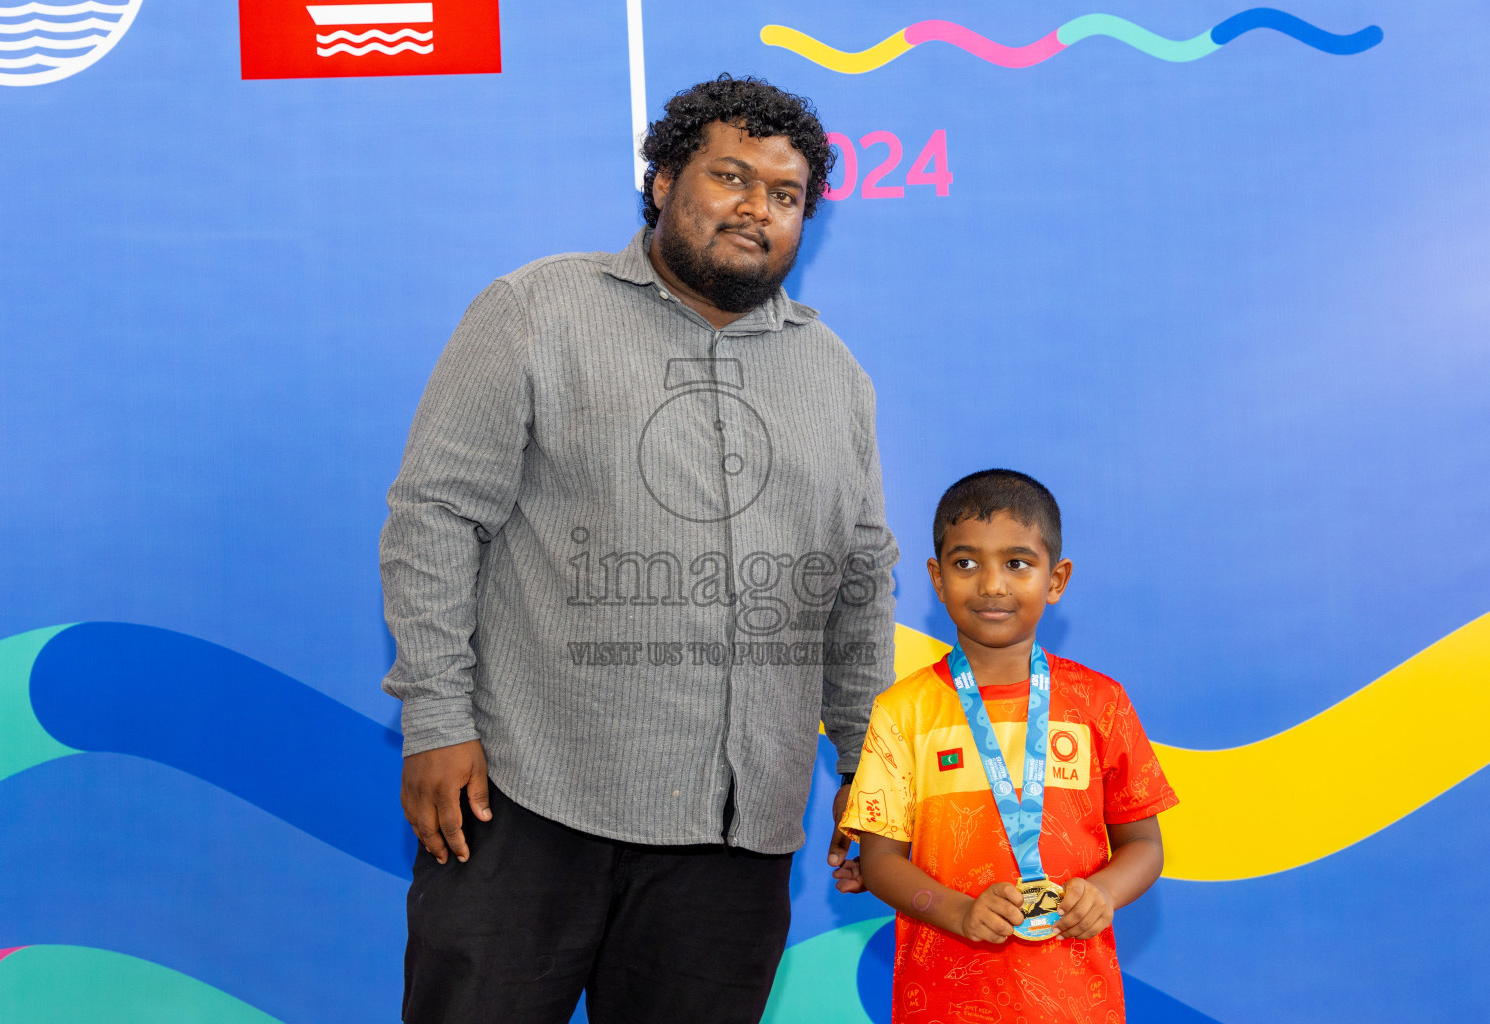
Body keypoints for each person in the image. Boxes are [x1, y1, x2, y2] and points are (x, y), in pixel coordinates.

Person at [378, 75, 898, 1024]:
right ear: (661, 181)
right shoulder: (534, 311)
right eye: (730, 177)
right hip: (526, 802)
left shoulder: (837, 378)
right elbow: (437, 518)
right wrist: (437, 720)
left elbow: (857, 588)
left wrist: (871, 775)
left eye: (785, 197)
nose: (756, 210)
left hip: (736, 839)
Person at [838, 469, 1177, 1023]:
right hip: (941, 1002)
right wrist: (960, 911)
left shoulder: (1101, 701)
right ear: (937, 578)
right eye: (966, 563)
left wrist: (1105, 893)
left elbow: (1145, 846)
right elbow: (879, 864)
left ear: (1056, 578)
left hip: (1077, 1002)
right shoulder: (902, 712)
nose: (992, 584)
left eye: (1017, 563)